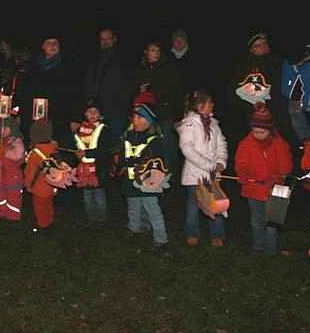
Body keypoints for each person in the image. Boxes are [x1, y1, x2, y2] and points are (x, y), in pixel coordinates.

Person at [235, 102, 292, 255]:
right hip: (253, 189)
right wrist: (244, 175)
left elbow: (285, 165)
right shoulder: (246, 144)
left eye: (262, 132)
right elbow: (241, 164)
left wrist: (278, 175)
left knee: (273, 222)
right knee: (256, 220)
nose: (258, 135)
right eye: (255, 132)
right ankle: (258, 246)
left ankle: (271, 250)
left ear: (270, 130)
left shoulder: (279, 144)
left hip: (275, 189)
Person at [177, 90, 228, 246]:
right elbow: (187, 149)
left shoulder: (214, 124)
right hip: (195, 175)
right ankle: (192, 233)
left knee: (217, 203)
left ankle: (217, 235)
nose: (212, 105)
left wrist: (220, 162)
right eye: (209, 103)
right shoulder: (188, 124)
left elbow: (221, 144)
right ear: (200, 106)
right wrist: (209, 166)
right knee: (194, 206)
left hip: (212, 175)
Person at [117, 103, 170, 253]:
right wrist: (120, 164)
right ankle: (134, 229)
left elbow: (158, 162)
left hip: (148, 182)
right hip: (129, 180)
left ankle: (161, 239)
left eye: (141, 118)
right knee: (133, 207)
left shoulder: (155, 140)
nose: (136, 120)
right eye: (134, 117)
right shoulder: (127, 136)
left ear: (149, 121)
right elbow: (122, 155)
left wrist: (141, 164)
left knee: (153, 211)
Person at [133, 40, 183, 180]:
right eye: (152, 50)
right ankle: (149, 175)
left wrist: (178, 116)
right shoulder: (141, 69)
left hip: (164, 114)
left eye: (157, 50)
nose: (155, 54)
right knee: (148, 146)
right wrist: (140, 90)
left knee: (166, 144)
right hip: (146, 116)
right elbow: (133, 91)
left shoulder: (168, 68)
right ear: (146, 52)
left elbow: (176, 92)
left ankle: (170, 175)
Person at [84, 28, 130, 146]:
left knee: (115, 144)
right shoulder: (94, 59)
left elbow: (127, 85)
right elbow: (89, 83)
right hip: (97, 111)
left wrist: (123, 107)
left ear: (114, 39)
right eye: (102, 39)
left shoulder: (123, 59)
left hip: (116, 111)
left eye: (108, 38)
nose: (105, 41)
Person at [73, 99, 112, 225]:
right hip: (84, 170)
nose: (92, 114)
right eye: (89, 111)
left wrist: (87, 153)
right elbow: (77, 146)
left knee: (99, 196)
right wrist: (77, 154)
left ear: (100, 115)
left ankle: (101, 220)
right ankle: (91, 219)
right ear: (85, 114)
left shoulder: (104, 129)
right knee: (87, 197)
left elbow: (104, 150)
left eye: (95, 111)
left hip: (99, 169)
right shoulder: (80, 130)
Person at [280, 43, 310, 144]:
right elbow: (287, 78)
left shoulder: (308, 68)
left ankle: (306, 141)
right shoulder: (289, 64)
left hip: (302, 101)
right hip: (290, 97)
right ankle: (301, 141)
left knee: (300, 122)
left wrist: (306, 106)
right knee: (293, 121)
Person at [24, 119, 59, 231]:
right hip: (53, 184)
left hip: (39, 186)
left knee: (39, 207)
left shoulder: (35, 154)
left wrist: (28, 185)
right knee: (49, 204)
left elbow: (30, 172)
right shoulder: (54, 149)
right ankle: (49, 220)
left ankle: (43, 225)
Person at [0, 117, 25, 222]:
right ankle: (1, 213)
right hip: (1, 173)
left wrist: (4, 152)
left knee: (13, 195)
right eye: (0, 128)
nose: (2, 131)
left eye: (5, 128)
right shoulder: (0, 141)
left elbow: (18, 155)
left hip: (13, 175)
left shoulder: (16, 141)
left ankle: (13, 216)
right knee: (0, 195)